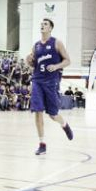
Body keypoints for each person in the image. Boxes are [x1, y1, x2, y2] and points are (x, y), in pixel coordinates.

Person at [25, 19, 73, 155]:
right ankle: (42, 144)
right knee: (37, 111)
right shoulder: (36, 46)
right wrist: (28, 61)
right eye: (41, 24)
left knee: (53, 115)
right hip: (37, 81)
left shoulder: (57, 43)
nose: (42, 25)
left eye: (45, 24)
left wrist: (56, 66)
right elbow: (33, 63)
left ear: (51, 28)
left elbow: (68, 60)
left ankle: (64, 125)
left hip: (51, 82)